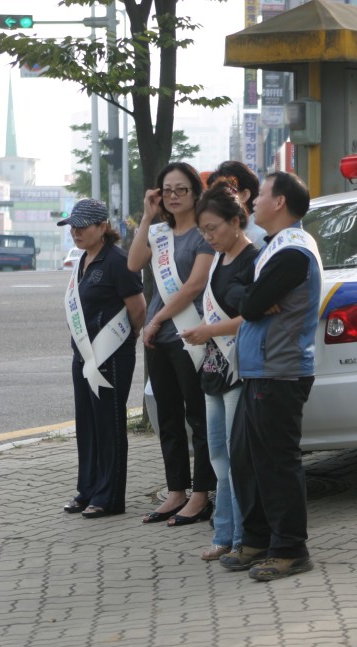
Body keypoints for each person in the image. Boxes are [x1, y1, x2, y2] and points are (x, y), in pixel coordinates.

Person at [220, 171, 323, 582]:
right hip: (259, 370)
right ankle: (258, 539)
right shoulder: (272, 248)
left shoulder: (294, 251)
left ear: (280, 202)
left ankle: (290, 549)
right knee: (248, 460)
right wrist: (251, 299)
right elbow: (234, 290)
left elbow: (252, 302)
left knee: (277, 463)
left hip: (280, 371)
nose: (254, 201)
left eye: (260, 194)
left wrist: (251, 300)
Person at [127, 162, 216, 526]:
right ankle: (176, 490)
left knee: (198, 416)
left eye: (182, 189)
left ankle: (201, 494)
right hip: (158, 339)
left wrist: (157, 319)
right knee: (167, 418)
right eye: (167, 190)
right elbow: (134, 263)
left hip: (189, 335)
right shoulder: (160, 233)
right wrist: (146, 219)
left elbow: (194, 286)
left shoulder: (204, 234)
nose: (174, 196)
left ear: (196, 192)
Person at [180, 180, 260, 561]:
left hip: (238, 368)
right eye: (203, 231)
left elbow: (254, 316)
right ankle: (224, 532)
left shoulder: (253, 259)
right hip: (213, 368)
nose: (208, 237)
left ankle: (243, 534)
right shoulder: (216, 260)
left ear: (236, 220)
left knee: (235, 456)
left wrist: (209, 330)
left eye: (213, 228)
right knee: (217, 456)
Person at [62, 199, 145, 519]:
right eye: (73, 226)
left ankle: (109, 496)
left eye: (82, 226)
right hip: (82, 356)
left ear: (102, 227)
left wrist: (130, 336)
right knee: (87, 424)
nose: (76, 231)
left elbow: (137, 309)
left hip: (111, 356)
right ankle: (88, 489)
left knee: (109, 425)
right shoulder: (84, 260)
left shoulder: (118, 261)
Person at [206, 160, 268, 249]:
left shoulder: (259, 237)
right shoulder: (222, 235)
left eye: (223, 194)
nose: (215, 202)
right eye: (213, 195)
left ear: (244, 195)